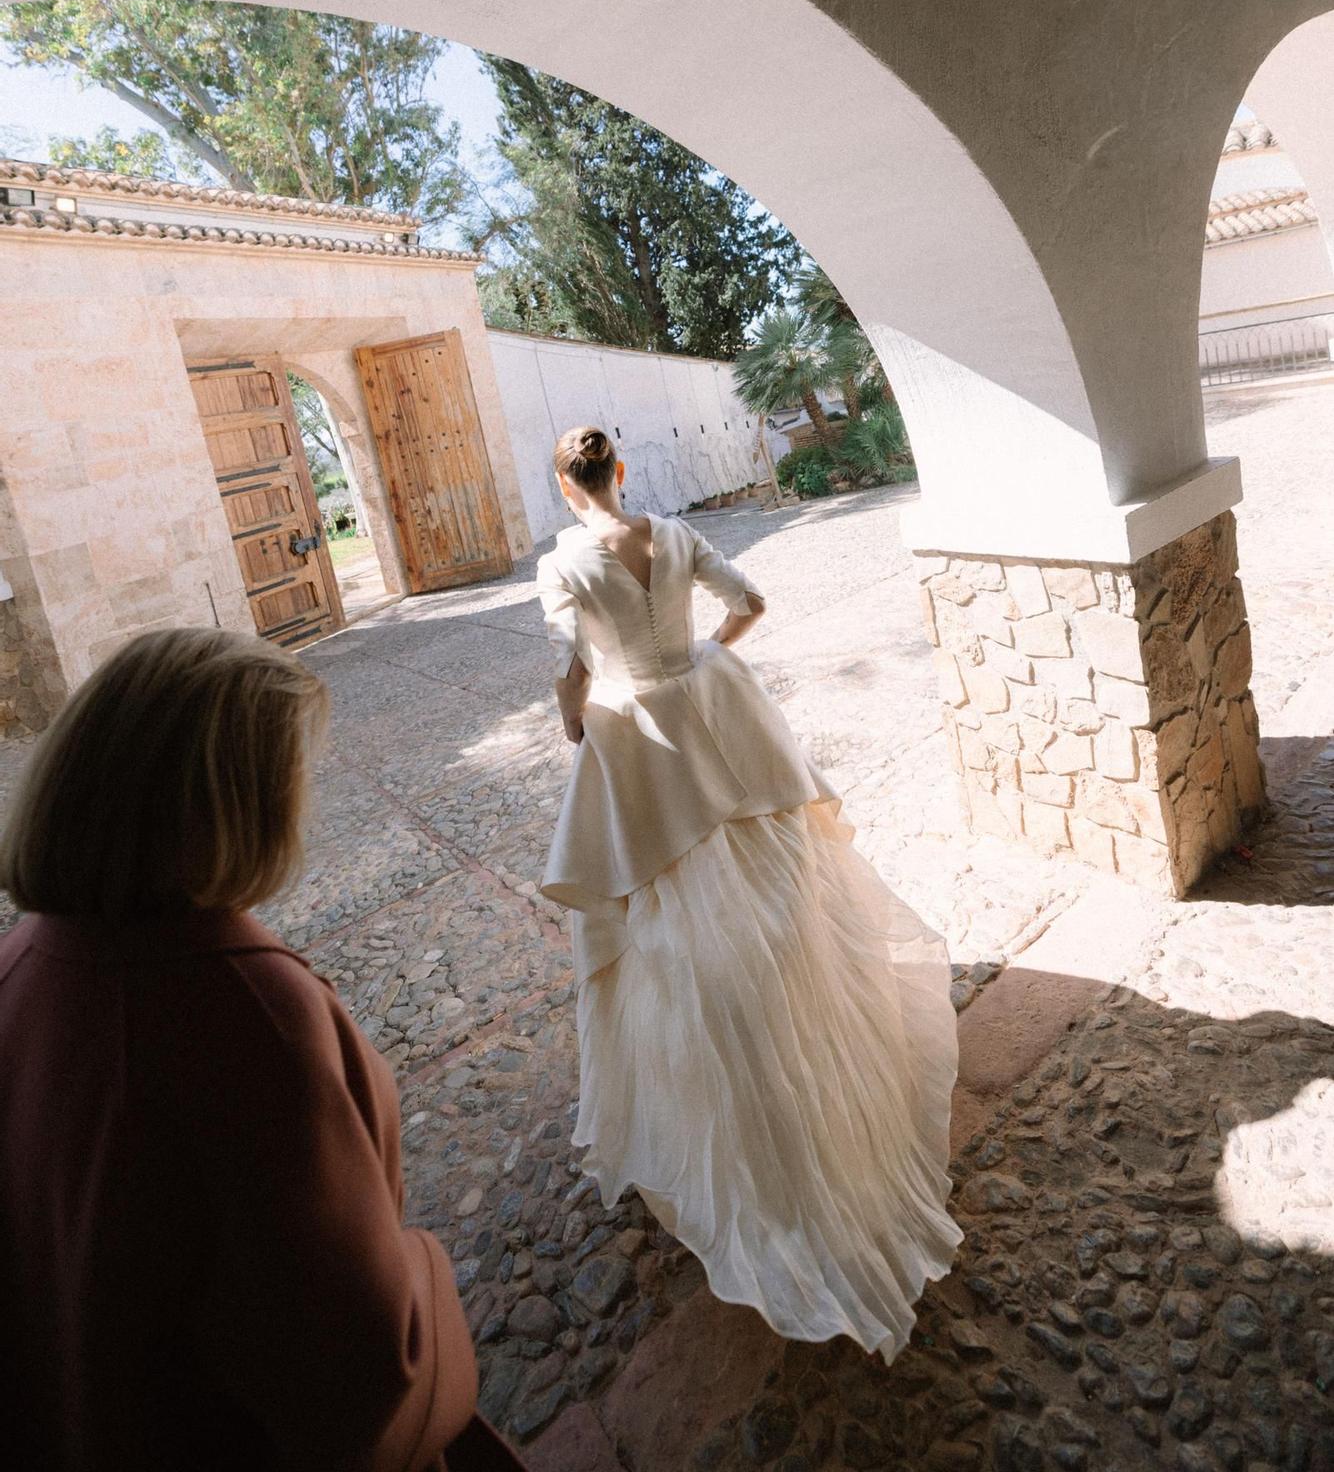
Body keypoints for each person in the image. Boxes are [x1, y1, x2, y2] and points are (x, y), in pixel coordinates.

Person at [0, 626, 522, 1470]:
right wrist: (428, 1270)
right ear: (226, 806)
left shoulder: (21, 965)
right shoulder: (242, 1005)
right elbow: (366, 1378)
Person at [537, 427, 962, 1361]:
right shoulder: (676, 536)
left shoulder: (564, 564)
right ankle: (824, 1081)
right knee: (780, 904)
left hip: (643, 758)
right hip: (715, 725)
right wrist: (706, 660)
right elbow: (751, 603)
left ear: (569, 489)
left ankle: (732, 1123)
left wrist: (579, 721)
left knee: (674, 933)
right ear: (621, 472)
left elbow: (572, 671)